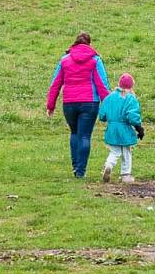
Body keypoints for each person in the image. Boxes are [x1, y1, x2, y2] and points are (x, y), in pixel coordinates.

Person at [46, 32, 110, 178]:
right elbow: (102, 84)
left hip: (69, 103)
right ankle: (81, 171)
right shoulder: (95, 60)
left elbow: (55, 84)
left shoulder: (64, 60)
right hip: (90, 103)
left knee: (74, 132)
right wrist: (107, 105)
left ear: (74, 44)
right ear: (89, 44)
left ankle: (75, 167)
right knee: (85, 136)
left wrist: (50, 105)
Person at [98, 73, 144, 184]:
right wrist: (139, 128)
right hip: (125, 130)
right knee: (126, 151)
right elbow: (132, 117)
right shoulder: (130, 99)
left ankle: (108, 165)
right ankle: (126, 175)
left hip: (112, 129)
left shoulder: (109, 97)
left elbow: (102, 115)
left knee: (114, 151)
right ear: (131, 86)